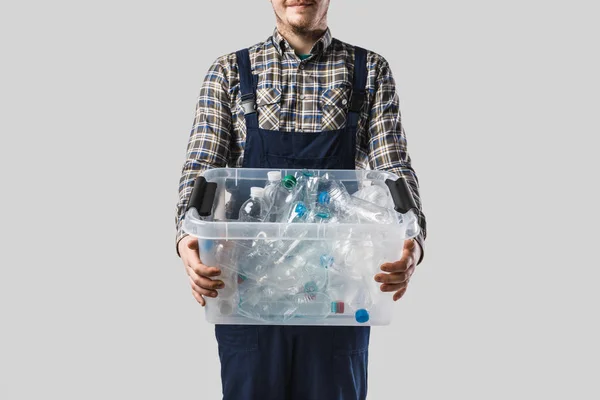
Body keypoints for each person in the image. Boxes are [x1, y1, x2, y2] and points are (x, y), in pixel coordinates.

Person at [175, 0, 427, 398]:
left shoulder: (370, 70)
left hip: (339, 296)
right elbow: (202, 172)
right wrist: (186, 239)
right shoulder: (228, 72)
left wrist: (413, 244)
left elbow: (394, 170)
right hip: (246, 296)